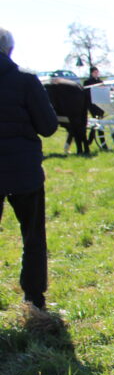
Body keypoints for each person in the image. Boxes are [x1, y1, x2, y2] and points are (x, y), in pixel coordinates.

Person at [0, 27, 59, 310]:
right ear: (9, 50)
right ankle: (33, 298)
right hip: (23, 171)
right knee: (33, 236)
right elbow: (48, 127)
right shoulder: (25, 80)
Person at [83, 66, 106, 149]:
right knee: (97, 124)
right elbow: (87, 93)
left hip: (100, 105)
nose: (96, 73)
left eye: (97, 72)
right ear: (91, 73)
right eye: (94, 72)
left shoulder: (100, 81)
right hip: (92, 105)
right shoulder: (87, 82)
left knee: (98, 124)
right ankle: (101, 143)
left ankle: (90, 140)